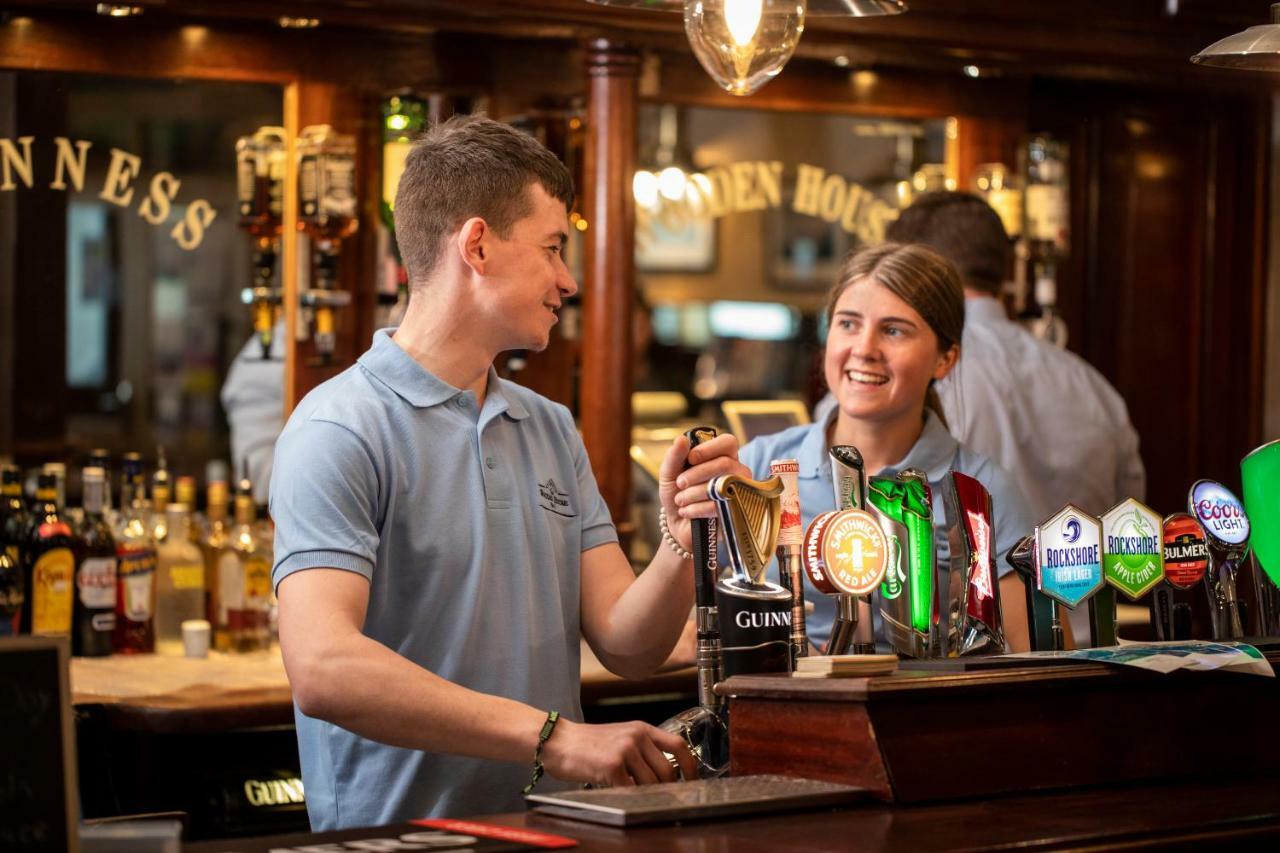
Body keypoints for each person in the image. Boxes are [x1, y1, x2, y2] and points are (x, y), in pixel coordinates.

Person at [269, 115, 745, 830]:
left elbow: (627, 643)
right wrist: (555, 738)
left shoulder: (548, 425)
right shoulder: (339, 426)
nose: (569, 279)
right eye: (554, 248)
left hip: (555, 831)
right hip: (400, 842)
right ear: (479, 245)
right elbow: (323, 665)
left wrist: (682, 537)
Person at [739, 243, 1035, 651]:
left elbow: (1032, 660)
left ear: (944, 359)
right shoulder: (760, 467)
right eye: (848, 324)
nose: (864, 348)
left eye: (893, 330)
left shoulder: (981, 491)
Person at [883, 191, 1145, 523]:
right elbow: (1132, 522)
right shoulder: (1091, 385)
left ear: (914, 273)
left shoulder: (917, 375)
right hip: (1089, 573)